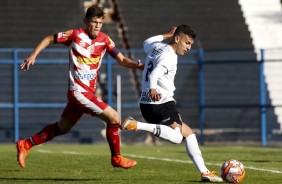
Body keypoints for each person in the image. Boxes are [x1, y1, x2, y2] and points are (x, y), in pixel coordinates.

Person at [17, 5, 144, 169]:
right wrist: (33, 55)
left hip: (85, 94)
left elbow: (121, 59)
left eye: (100, 23)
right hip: (79, 92)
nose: (97, 26)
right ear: (86, 21)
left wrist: (136, 65)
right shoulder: (75, 35)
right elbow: (49, 38)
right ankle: (117, 158)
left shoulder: (105, 40)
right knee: (114, 118)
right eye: (94, 22)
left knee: (63, 127)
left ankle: (26, 144)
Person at [120, 25, 223, 182]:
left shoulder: (157, 47)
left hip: (146, 104)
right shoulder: (170, 56)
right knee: (176, 136)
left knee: (189, 134)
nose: (188, 47)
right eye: (186, 43)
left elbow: (146, 42)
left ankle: (204, 172)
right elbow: (155, 73)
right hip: (161, 102)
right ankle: (136, 125)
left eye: (190, 44)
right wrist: (153, 88)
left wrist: (165, 34)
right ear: (177, 38)